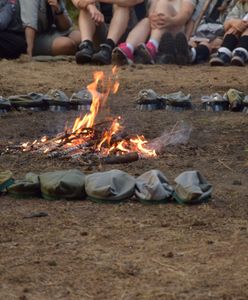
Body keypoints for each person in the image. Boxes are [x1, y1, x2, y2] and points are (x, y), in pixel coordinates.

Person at [112, 0, 197, 65]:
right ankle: (128, 48)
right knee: (146, 21)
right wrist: (153, 18)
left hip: (174, 31)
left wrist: (171, 21)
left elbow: (185, 14)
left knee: (163, 3)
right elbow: (151, 13)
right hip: (156, 29)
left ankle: (152, 46)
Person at [72, 0, 144, 65]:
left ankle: (108, 46)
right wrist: (90, 6)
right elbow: (78, 2)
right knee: (86, 6)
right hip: (100, 29)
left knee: (122, 5)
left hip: (127, 32)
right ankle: (86, 46)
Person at [210, 0, 248, 66]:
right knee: (233, 29)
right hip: (239, 38)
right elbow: (226, 24)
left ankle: (241, 53)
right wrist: (233, 22)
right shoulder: (240, 4)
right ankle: (224, 53)